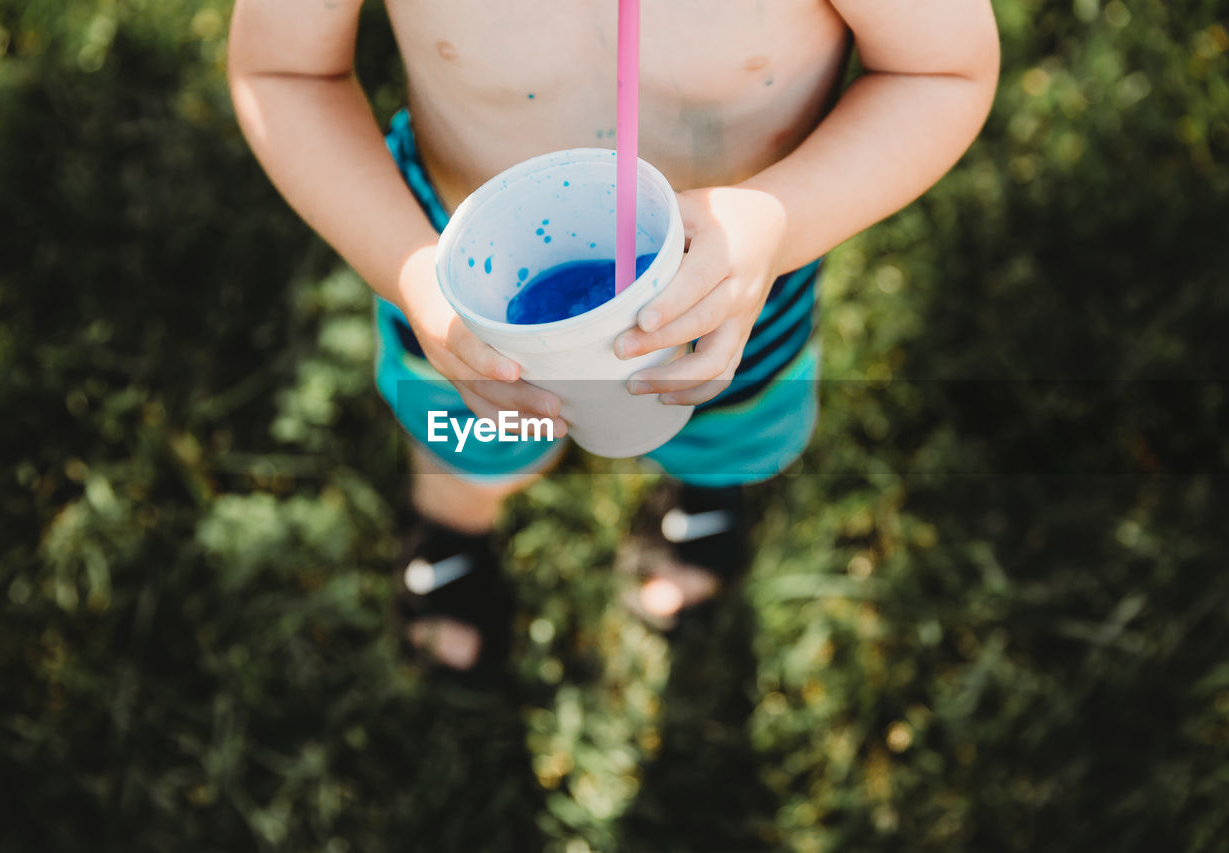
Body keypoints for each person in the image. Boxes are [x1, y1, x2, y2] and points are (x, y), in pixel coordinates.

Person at [227, 0, 1000, 679]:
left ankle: (705, 489)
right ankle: (455, 522)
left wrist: (781, 219)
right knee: (471, 434)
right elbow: (285, 73)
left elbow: (939, 69)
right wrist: (410, 272)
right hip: (450, 276)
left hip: (734, 280)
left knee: (726, 421)